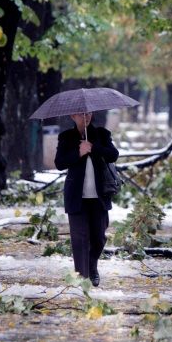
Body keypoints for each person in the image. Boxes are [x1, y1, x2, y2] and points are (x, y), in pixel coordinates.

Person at [54, 112, 119, 287]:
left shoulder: (101, 134)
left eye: (88, 113)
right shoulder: (66, 137)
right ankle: (82, 279)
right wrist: (79, 152)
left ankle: (92, 265)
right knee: (79, 239)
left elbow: (113, 155)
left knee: (98, 237)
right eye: (81, 114)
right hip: (77, 196)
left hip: (99, 196)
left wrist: (93, 147)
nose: (86, 117)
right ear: (73, 116)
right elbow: (59, 163)